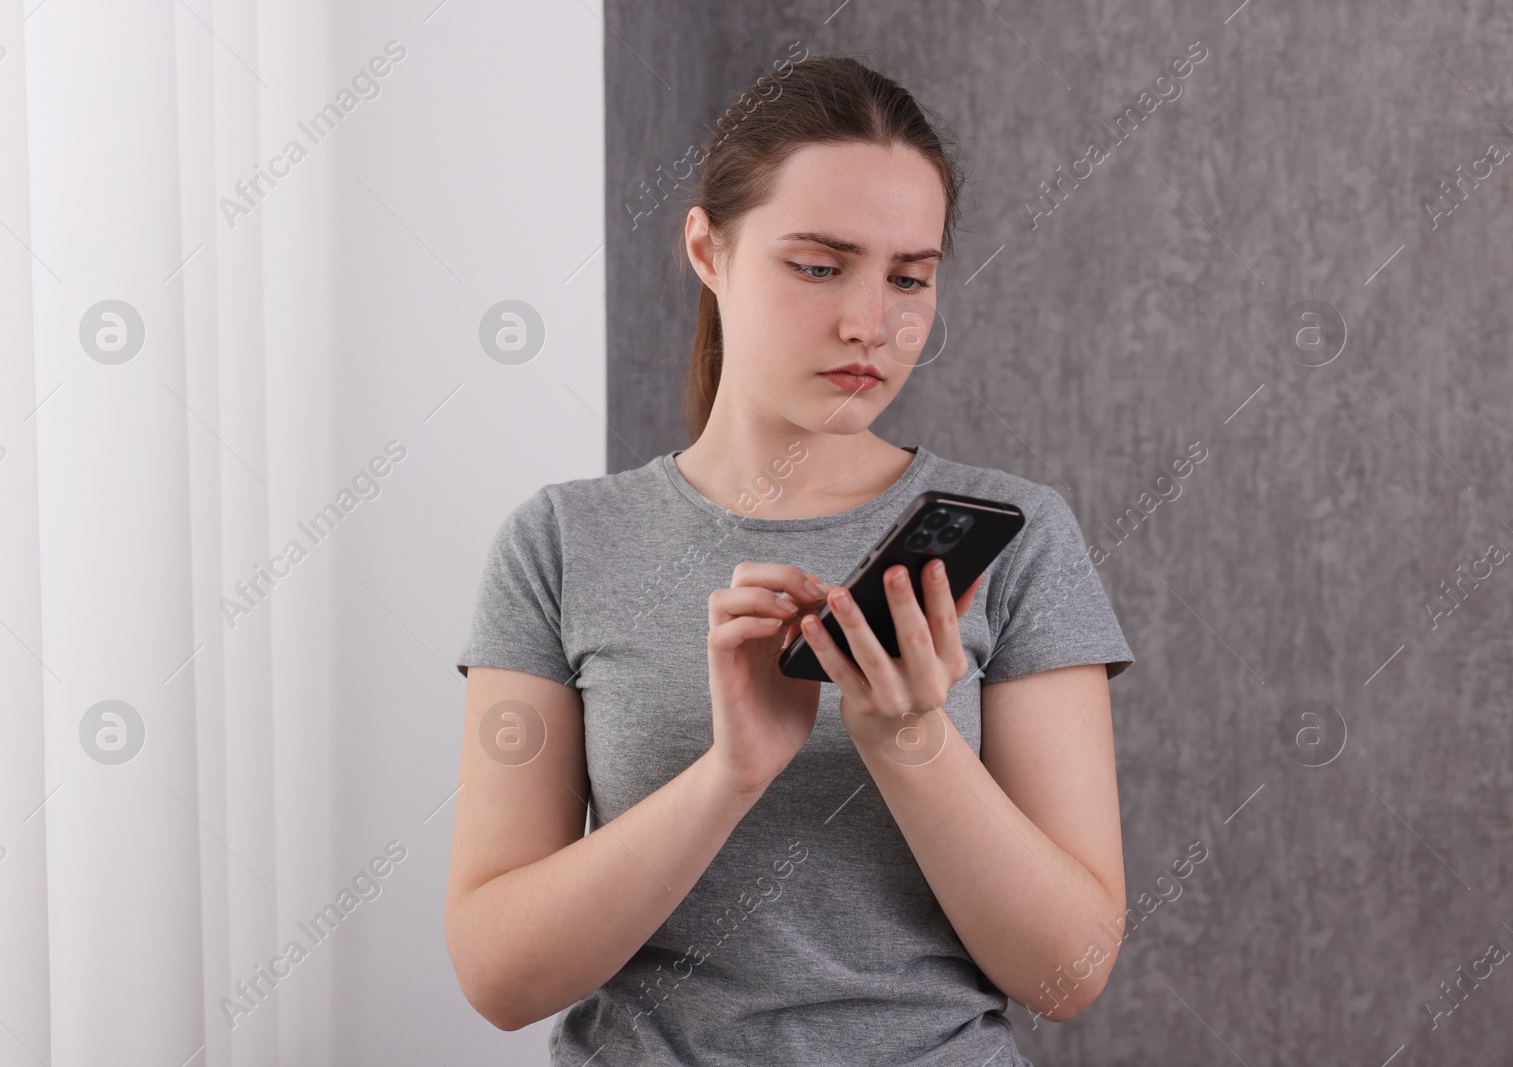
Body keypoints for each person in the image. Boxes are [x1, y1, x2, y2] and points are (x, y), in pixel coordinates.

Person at [446, 53, 1135, 1066]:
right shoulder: (559, 544)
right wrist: (730, 771)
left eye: (910, 275)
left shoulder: (1023, 538)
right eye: (818, 264)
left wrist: (910, 738)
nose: (871, 321)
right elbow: (499, 976)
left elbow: (1067, 975)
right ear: (707, 247)